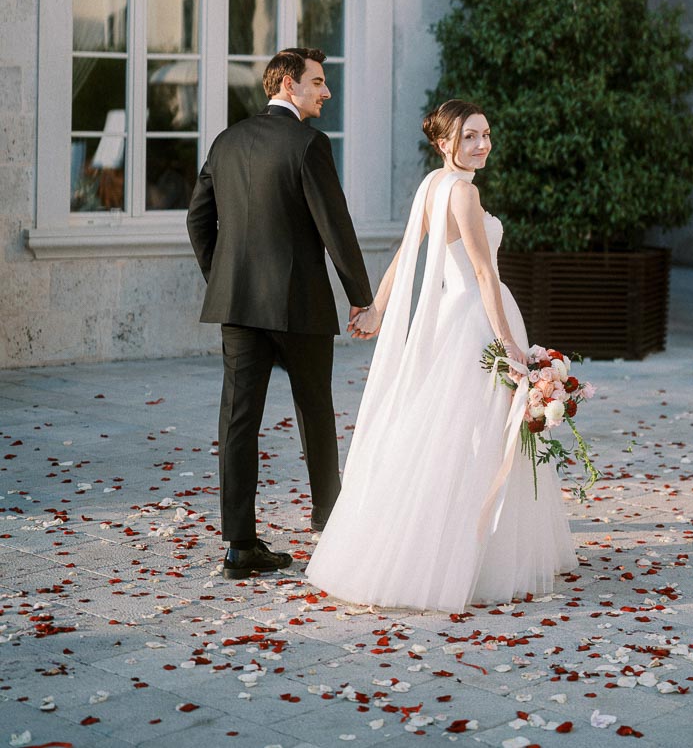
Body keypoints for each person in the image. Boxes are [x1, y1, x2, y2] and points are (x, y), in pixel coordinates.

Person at [305, 100, 576, 610]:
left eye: (486, 134)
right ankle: (473, 556)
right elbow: (481, 272)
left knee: (448, 432)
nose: (481, 145)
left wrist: (379, 309)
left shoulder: (432, 185)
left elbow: (408, 254)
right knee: (477, 438)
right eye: (469, 136)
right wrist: (511, 347)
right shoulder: (463, 193)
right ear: (444, 142)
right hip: (477, 323)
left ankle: (434, 544)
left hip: (456, 319)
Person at [186, 48, 374, 580]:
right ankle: (330, 524)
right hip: (299, 304)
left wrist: (224, 280)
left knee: (239, 420)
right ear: (289, 84)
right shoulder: (309, 145)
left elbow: (197, 220)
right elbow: (335, 226)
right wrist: (361, 296)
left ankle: (240, 546)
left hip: (238, 306)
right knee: (315, 413)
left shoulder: (226, 142)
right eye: (318, 82)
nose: (326, 92)